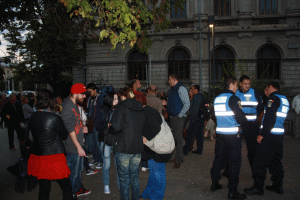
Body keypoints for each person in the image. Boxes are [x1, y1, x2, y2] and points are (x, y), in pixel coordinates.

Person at [26, 89, 73, 200]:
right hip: (54, 157)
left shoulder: (32, 117)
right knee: (66, 188)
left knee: (44, 188)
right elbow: (64, 135)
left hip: (38, 157)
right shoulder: (55, 117)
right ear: (50, 101)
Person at [244, 81, 289, 196]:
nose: (266, 90)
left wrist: (262, 134)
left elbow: (269, 118)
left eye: (267, 88)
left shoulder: (273, 99)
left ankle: (258, 187)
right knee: (276, 161)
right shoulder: (284, 99)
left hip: (269, 135)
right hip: (278, 136)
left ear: (270, 87)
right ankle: (277, 185)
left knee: (259, 161)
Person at [210, 77, 248, 200]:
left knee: (218, 159)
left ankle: (214, 184)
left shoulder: (217, 98)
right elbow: (241, 118)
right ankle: (232, 192)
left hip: (220, 134)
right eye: (236, 85)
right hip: (233, 136)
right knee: (234, 162)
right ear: (231, 84)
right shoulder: (234, 98)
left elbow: (214, 116)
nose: (237, 87)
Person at [108, 86, 145, 200]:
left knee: (124, 180)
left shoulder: (121, 106)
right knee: (134, 178)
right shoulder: (140, 106)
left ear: (122, 95)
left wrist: (110, 128)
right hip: (137, 147)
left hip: (123, 147)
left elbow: (116, 127)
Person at [137, 94, 172, 200]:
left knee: (158, 173)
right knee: (153, 170)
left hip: (161, 147)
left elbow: (155, 128)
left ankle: (156, 196)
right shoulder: (147, 110)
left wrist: (144, 139)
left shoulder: (146, 112)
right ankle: (149, 192)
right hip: (156, 147)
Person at [61, 83, 91, 197]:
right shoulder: (68, 108)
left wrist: (83, 127)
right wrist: (79, 147)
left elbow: (75, 124)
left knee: (78, 171)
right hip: (73, 147)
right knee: (72, 174)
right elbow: (70, 130)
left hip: (77, 145)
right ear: (75, 93)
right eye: (82, 94)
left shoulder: (74, 105)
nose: (84, 96)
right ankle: (71, 194)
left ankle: (78, 189)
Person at [235, 75, 263, 172]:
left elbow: (260, 108)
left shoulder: (254, 92)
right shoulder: (235, 92)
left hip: (251, 125)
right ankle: (230, 170)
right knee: (234, 149)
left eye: (249, 84)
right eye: (245, 84)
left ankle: (255, 171)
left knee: (252, 150)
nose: (247, 86)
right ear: (240, 84)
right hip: (238, 125)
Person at [97, 91, 119, 194]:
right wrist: (107, 126)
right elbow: (98, 126)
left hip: (117, 140)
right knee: (106, 164)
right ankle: (106, 184)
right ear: (110, 100)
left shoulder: (119, 110)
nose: (117, 101)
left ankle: (120, 184)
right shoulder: (102, 110)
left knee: (119, 163)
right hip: (106, 140)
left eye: (117, 98)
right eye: (115, 99)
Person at [167, 74, 190, 168]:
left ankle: (178, 158)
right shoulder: (173, 89)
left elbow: (187, 104)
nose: (168, 81)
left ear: (173, 79)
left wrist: (180, 116)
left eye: (169, 79)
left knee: (178, 138)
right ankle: (177, 157)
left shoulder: (181, 88)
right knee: (175, 138)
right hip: (173, 117)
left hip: (177, 117)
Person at [86, 83, 104, 169]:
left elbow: (101, 111)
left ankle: (100, 161)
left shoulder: (100, 98)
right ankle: (95, 159)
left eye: (90, 91)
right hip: (90, 125)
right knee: (92, 143)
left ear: (95, 90)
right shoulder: (89, 98)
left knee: (97, 144)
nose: (89, 93)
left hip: (97, 124)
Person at [183, 85, 206, 155]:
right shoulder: (202, 96)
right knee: (199, 135)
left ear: (196, 90)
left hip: (195, 119)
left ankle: (185, 150)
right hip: (200, 118)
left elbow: (195, 109)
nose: (191, 91)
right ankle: (199, 150)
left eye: (192, 89)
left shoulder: (197, 97)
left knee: (190, 134)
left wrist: (192, 118)